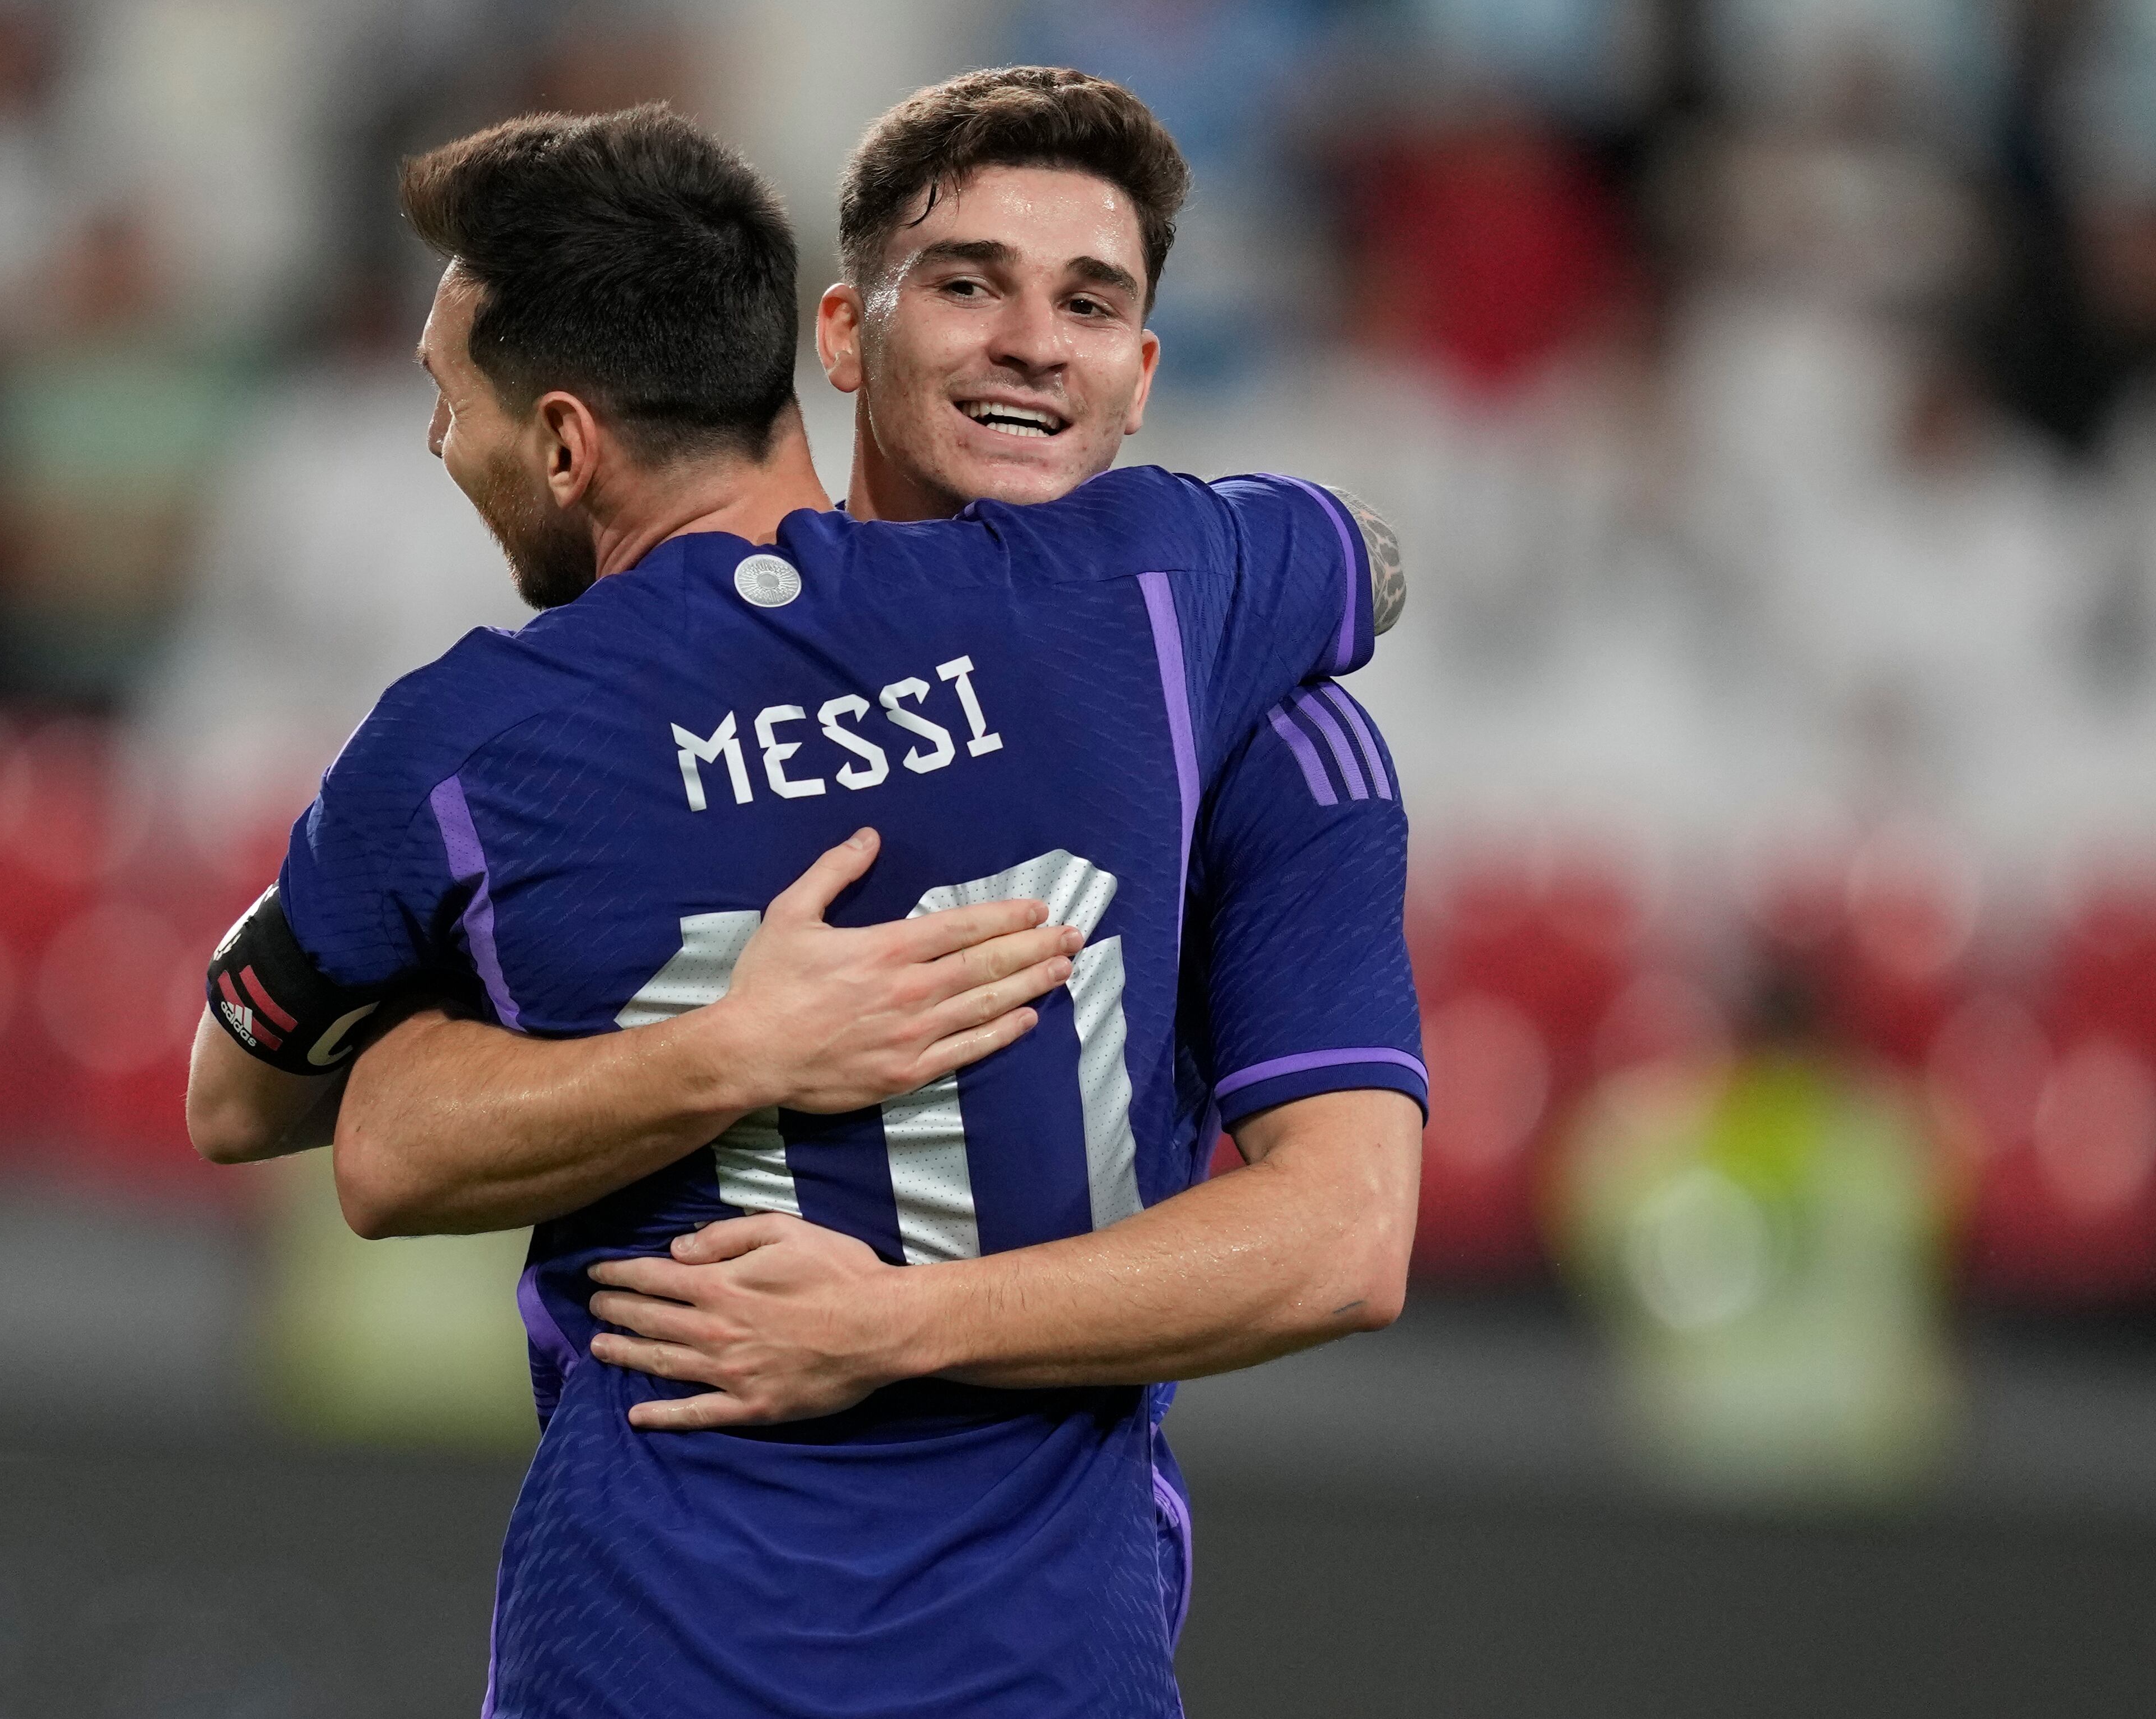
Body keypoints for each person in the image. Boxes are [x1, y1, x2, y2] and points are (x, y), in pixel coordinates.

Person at [185, 100, 1400, 1717]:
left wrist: (890, 1318)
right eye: (969, 287)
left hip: (720, 1648)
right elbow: (1364, 558)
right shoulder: (1166, 595)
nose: (1035, 346)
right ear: (839, 335)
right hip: (938, 1655)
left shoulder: (485, 743)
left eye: (1092, 304)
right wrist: (737, 1048)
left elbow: (1342, 1239)